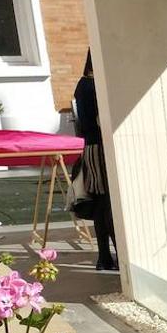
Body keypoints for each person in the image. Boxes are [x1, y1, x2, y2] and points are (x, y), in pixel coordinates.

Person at [72, 49, 117, 271]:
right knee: (107, 203)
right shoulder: (92, 86)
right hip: (99, 149)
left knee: (101, 203)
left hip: (92, 148)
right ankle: (114, 255)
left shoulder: (84, 85)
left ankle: (104, 257)